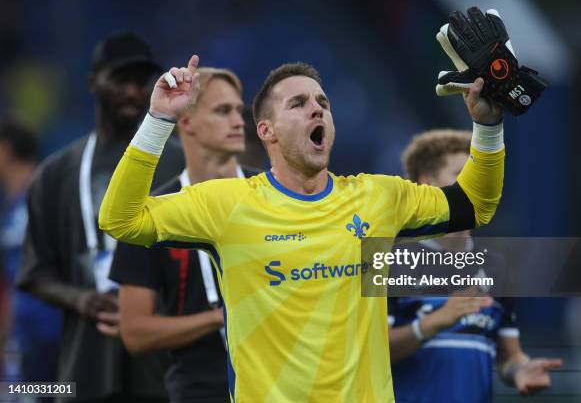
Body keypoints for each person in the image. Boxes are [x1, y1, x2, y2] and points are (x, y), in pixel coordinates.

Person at [99, 55, 505, 402]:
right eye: (298, 103)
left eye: (322, 102)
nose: (317, 109)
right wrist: (158, 120)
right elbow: (121, 219)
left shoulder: (378, 198)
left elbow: (475, 205)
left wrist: (487, 129)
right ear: (266, 131)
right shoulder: (227, 204)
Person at [16, 33, 184, 402]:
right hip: (86, 367)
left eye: (141, 82)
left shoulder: (180, 163)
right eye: (120, 80)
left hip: (167, 368)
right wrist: (82, 300)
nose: (131, 92)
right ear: (93, 83)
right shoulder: (56, 173)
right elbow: (34, 274)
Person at [109, 67, 259, 403]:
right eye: (223, 111)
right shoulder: (156, 214)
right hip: (198, 392)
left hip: (279, 387)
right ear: (186, 122)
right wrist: (221, 316)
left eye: (239, 110)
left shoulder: (273, 195)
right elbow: (134, 332)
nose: (238, 121)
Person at [388, 130, 562, 402]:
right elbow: (371, 351)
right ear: (427, 184)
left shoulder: (495, 267)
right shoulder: (392, 261)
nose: (476, 184)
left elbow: (508, 356)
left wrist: (520, 370)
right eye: (462, 174)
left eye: (479, 175)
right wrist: (434, 322)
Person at [0, 121, 62, 389]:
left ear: (5, 150)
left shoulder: (46, 194)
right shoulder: (13, 204)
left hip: (53, 333)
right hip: (26, 335)